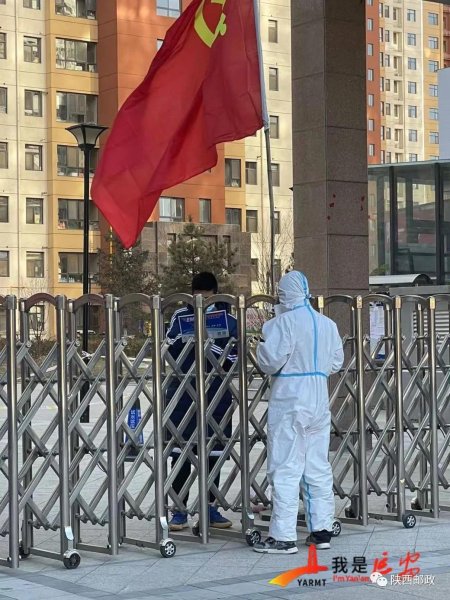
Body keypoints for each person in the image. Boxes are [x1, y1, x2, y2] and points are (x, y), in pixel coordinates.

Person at [253, 271, 344, 554]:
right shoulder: (327, 324)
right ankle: (322, 531)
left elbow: (270, 361)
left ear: (283, 294)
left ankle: (283, 537)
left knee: (285, 466)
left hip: (291, 398)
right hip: (319, 396)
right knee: (317, 466)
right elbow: (336, 362)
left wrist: (258, 347)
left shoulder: (282, 323)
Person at [165, 272, 236, 531]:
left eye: (206, 297)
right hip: (183, 391)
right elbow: (167, 346)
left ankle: (210, 508)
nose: (201, 302)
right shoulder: (180, 316)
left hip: (216, 393)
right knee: (180, 452)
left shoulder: (229, 319)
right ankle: (179, 510)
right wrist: (189, 340)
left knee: (213, 453)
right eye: (197, 296)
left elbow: (234, 357)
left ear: (215, 294)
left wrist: (208, 346)